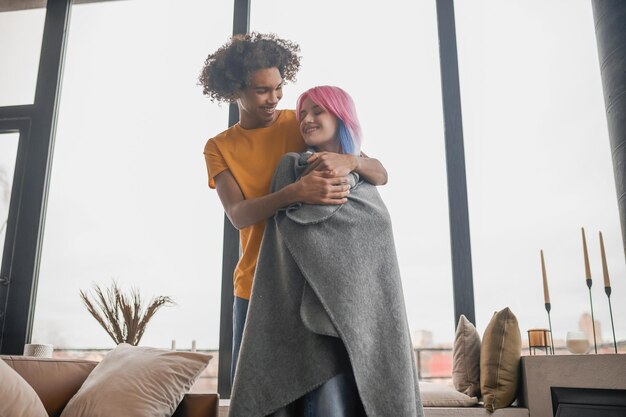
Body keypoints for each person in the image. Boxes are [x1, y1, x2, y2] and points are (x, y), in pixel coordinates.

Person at [199, 33, 389, 384]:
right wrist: (295, 191)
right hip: (254, 284)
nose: (275, 98)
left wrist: (349, 160)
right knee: (256, 392)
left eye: (279, 86)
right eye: (262, 90)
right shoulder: (219, 147)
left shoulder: (301, 122)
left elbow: (379, 172)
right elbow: (238, 215)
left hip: (308, 280)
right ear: (234, 92)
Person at [229, 86, 424, 417]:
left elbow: (376, 252)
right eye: (303, 113)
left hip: (361, 323)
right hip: (308, 323)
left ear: (341, 116)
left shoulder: (365, 174)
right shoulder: (291, 167)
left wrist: (351, 161)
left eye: (318, 111)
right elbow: (291, 233)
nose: (307, 119)